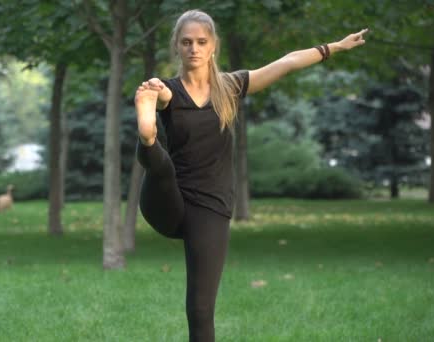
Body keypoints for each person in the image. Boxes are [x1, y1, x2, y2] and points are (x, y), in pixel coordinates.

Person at [134, 9, 367, 342]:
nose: (194, 49)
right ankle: (147, 133)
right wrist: (155, 94)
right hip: (166, 202)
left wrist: (335, 47)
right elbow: (165, 93)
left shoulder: (230, 87)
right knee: (162, 165)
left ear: (213, 46)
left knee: (200, 309)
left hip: (210, 208)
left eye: (201, 42)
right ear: (176, 46)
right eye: (186, 42)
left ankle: (148, 135)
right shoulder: (170, 91)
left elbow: (286, 62)